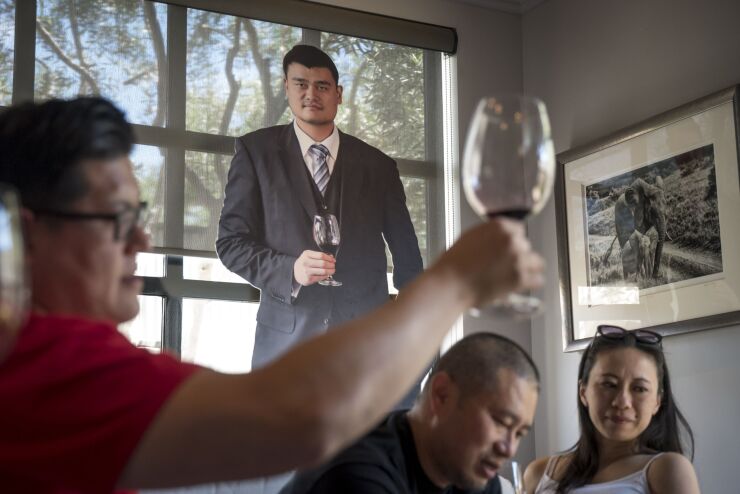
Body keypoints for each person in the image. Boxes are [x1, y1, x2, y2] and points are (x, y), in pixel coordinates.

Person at [0, 96, 544, 492]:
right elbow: (307, 417)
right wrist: (455, 280)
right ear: (22, 235)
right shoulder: (37, 363)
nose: (142, 239)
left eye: (139, 215)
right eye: (117, 218)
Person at [216, 44, 424, 378]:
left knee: (361, 432)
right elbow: (231, 243)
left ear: (338, 94)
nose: (311, 93)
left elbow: (406, 251)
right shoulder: (255, 152)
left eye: (322, 86)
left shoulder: (378, 166)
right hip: (285, 346)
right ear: (286, 88)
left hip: (365, 346)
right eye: (300, 84)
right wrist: (290, 271)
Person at [279, 332, 539, 494]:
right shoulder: (357, 474)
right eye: (501, 422)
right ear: (442, 395)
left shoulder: (473, 475)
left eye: (519, 433)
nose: (509, 448)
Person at [523, 325, 700, 494]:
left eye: (639, 389)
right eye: (609, 384)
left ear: (657, 402)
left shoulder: (668, 468)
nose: (622, 402)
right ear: (583, 392)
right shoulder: (538, 473)